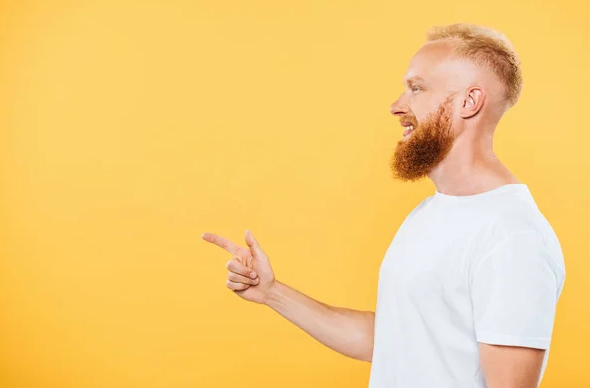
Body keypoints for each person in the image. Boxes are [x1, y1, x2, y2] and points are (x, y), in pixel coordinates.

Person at [201, 23, 566, 388]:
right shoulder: (431, 212)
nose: (397, 106)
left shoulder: (513, 238)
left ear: (469, 102)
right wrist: (272, 292)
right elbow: (399, 340)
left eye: (417, 88)